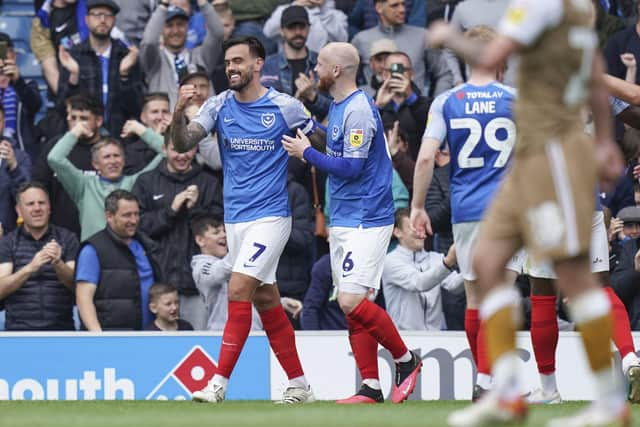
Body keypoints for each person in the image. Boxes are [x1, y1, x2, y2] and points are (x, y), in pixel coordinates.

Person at [426, 0, 627, 425]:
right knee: (488, 261)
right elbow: (593, 71)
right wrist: (606, 140)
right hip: (534, 153)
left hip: (550, 151)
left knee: (571, 276)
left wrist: (448, 38)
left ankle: (609, 402)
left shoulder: (540, 5)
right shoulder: (573, 12)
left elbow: (492, 56)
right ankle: (508, 392)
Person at [170, 36, 325, 404]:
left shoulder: (284, 107)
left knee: (237, 289)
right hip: (236, 219)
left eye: (239, 61)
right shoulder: (219, 104)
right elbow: (182, 143)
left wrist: (307, 146)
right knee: (267, 302)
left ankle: (217, 383)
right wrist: (178, 113)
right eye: (227, 63)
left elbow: (321, 139)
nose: (231, 68)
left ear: (258, 65)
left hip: (271, 217)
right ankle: (300, 385)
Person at [282, 42, 422, 405]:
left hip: (366, 218)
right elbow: (339, 145)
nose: (314, 68)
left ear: (337, 70)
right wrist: (311, 127)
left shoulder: (359, 109)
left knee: (349, 300)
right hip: (344, 217)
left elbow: (352, 166)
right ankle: (371, 387)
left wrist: (306, 154)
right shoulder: (342, 107)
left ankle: (406, 360)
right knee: (354, 306)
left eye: (320, 63)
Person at [410, 25, 523, 400]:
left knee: (475, 299)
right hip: (507, 210)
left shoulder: (447, 100)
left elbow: (426, 156)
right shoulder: (515, 99)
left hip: (467, 210)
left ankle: (487, 380)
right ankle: (489, 384)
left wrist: (417, 206)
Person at [132, 130, 223, 330]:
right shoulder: (146, 182)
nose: (182, 156)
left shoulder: (209, 182)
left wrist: (195, 210)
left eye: (188, 149)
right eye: (176, 150)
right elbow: (137, 226)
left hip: (198, 286)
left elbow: (219, 229)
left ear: (196, 149)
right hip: (159, 283)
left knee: (199, 345)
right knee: (158, 351)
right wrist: (171, 211)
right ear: (164, 149)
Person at [47, 124, 164, 241]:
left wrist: (140, 129)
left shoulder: (137, 181)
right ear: (95, 164)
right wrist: (75, 132)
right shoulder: (83, 185)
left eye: (116, 156)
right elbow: (55, 158)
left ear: (124, 161)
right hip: (94, 254)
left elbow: (167, 152)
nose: (113, 161)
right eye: (107, 157)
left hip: (128, 253)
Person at [75, 190, 164, 331]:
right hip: (111, 338)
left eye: (136, 214)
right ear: (109, 216)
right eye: (127, 215)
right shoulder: (93, 250)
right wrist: (98, 335)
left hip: (149, 335)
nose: (134, 220)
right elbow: (83, 298)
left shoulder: (147, 244)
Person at [57, 0, 143, 138]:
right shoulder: (74, 55)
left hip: (120, 137)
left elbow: (136, 107)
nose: (102, 20)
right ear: (86, 19)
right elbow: (61, 107)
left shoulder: (127, 56)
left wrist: (124, 75)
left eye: (108, 15)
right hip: (83, 137)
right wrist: (74, 75)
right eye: (97, 15)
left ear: (114, 20)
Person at [0, 183, 78, 330]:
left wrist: (58, 263)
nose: (37, 208)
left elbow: (77, 286)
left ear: (49, 208)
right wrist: (30, 268)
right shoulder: (8, 243)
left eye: (41, 203)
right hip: (19, 332)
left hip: (62, 331)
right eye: (30, 204)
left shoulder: (67, 238)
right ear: (19, 211)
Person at [33, 93, 106, 238]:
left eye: (83, 119)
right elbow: (38, 186)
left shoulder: (110, 150)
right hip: (60, 232)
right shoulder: (54, 147)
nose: (77, 124)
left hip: (101, 232)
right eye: (73, 118)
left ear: (98, 120)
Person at [383, 208, 464, 331]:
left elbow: (455, 287)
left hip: (435, 340)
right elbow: (419, 283)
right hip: (404, 341)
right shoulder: (390, 261)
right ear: (398, 232)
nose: (420, 231)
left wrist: (475, 267)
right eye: (413, 227)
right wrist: (448, 262)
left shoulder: (436, 258)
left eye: (421, 226)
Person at [351, 0, 453, 96]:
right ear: (379, 7)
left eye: (403, 4)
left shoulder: (422, 36)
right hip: (375, 109)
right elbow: (347, 77)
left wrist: (435, 103)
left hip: (416, 110)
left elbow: (444, 73)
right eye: (395, 5)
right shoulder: (361, 40)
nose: (402, 9)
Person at [140, 1, 223, 109]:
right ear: (161, 30)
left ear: (187, 27)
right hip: (165, 122)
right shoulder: (154, 61)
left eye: (180, 24)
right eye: (169, 26)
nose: (175, 31)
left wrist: (203, 3)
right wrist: (163, 6)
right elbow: (149, 42)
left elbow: (218, 34)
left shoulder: (201, 56)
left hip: (203, 122)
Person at [191, 214, 263, 331]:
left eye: (224, 231)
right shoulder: (200, 267)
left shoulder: (235, 261)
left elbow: (251, 294)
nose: (224, 235)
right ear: (200, 240)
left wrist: (282, 303)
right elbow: (220, 272)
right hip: (221, 336)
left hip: (255, 334)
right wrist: (244, 244)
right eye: (216, 232)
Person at [260, 5, 332, 120]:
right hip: (278, 134)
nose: (298, 32)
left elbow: (336, 109)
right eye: (291, 27)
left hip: (315, 133)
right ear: (281, 31)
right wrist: (296, 101)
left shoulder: (323, 63)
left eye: (302, 27)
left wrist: (312, 96)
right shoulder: (267, 65)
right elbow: (260, 108)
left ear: (309, 28)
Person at [0, 32, 44, 158]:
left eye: (3, 51)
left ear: (13, 55)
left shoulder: (27, 85)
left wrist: (18, 82)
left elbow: (35, 105)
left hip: (23, 154)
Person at [263, 1, 348, 53]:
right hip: (288, 65)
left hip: (322, 66)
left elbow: (342, 40)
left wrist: (322, 11)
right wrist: (295, 6)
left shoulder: (336, 15)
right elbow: (268, 32)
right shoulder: (284, 9)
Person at [121, 92, 172, 174]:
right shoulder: (131, 148)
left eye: (165, 111)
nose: (160, 117)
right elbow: (135, 178)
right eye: (154, 112)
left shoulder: (180, 141)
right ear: (143, 117)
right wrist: (156, 138)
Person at [0, 130, 31, 235]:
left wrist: (13, 166)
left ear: (3, 122)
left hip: (9, 236)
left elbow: (27, 196)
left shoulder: (20, 157)